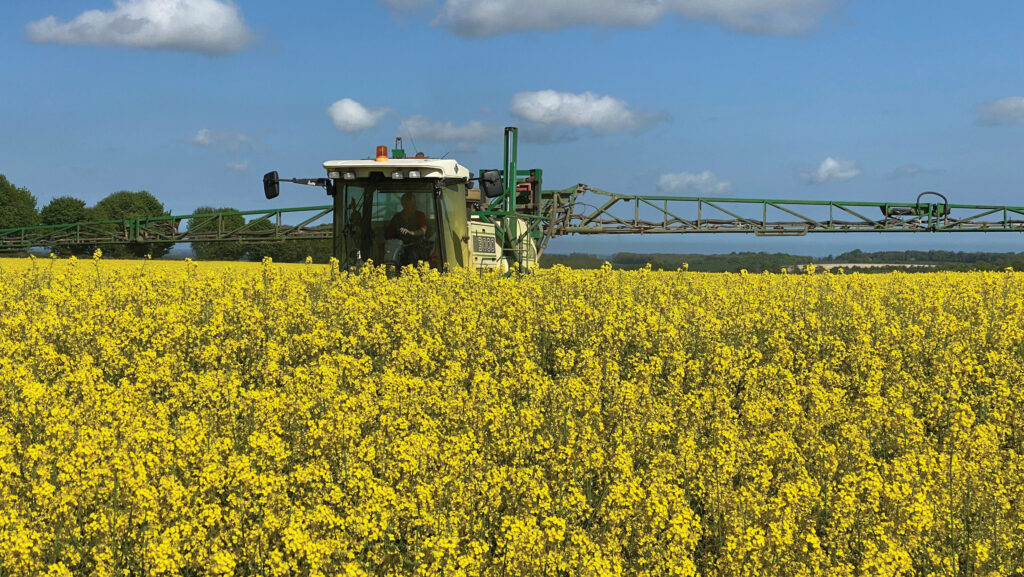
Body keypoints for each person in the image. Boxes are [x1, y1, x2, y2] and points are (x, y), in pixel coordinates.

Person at [385, 192, 428, 266]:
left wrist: (411, 233)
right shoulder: (397, 217)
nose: (412, 206)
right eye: (408, 204)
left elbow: (423, 231)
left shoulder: (420, 215)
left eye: (413, 204)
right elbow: (389, 234)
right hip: (399, 249)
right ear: (403, 204)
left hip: (417, 249)